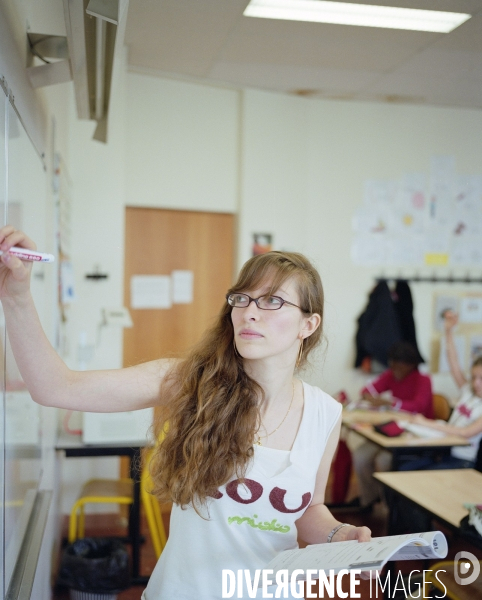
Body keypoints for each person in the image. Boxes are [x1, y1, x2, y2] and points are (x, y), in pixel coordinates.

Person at [0, 226, 371, 600]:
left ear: (309, 324)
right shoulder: (190, 382)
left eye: (272, 300)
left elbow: (310, 508)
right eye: (242, 299)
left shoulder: (325, 413)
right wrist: (16, 296)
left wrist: (339, 533)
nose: (249, 312)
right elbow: (53, 387)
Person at [347, 341, 433, 511]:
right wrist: (370, 396)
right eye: (391, 365)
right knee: (361, 455)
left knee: (385, 460)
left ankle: (390, 508)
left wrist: (391, 403)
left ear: (410, 365)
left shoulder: (423, 380)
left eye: (398, 365)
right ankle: (369, 499)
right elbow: (367, 390)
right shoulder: (391, 374)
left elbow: (418, 406)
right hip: (391, 430)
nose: (394, 369)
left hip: (414, 434)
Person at [401, 310, 482, 470]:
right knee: (405, 468)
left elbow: (465, 433)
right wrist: (448, 331)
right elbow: (453, 360)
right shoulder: (468, 390)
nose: (476, 383)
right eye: (473, 377)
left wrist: (426, 423)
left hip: (461, 460)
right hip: (442, 450)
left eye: (481, 379)